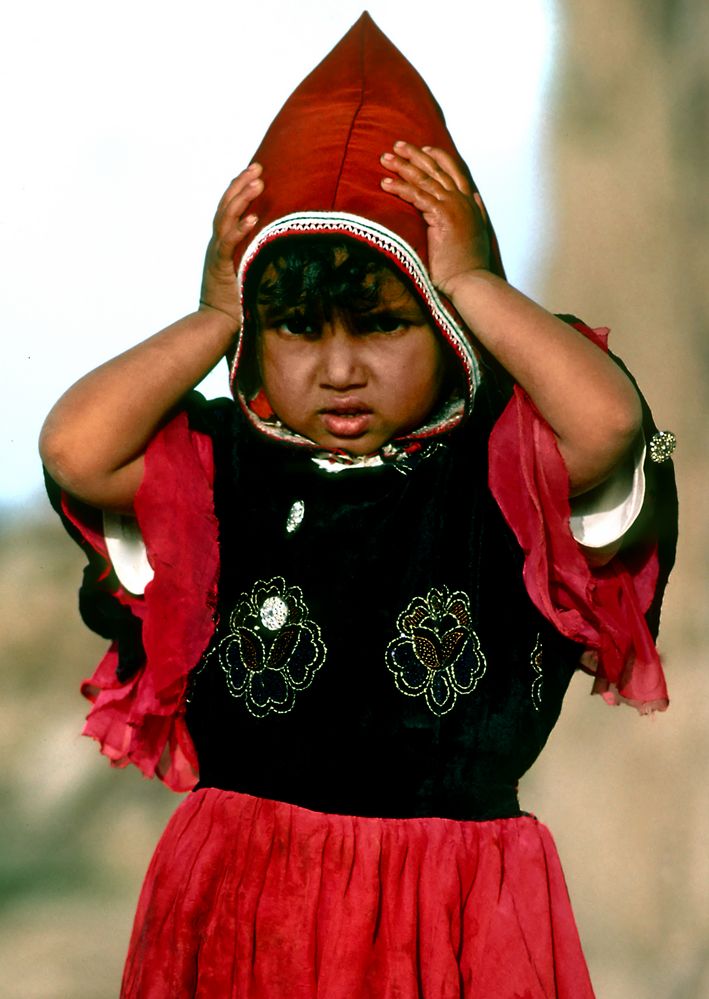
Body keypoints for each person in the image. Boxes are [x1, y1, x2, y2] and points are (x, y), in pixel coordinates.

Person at [39, 13, 677, 998]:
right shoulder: (226, 472)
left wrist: (471, 277)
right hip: (241, 902)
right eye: (295, 329)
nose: (337, 371)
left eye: (382, 327)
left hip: (454, 908)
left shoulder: (501, 470)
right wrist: (213, 314)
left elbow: (608, 431)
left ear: (447, 326)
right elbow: (77, 448)